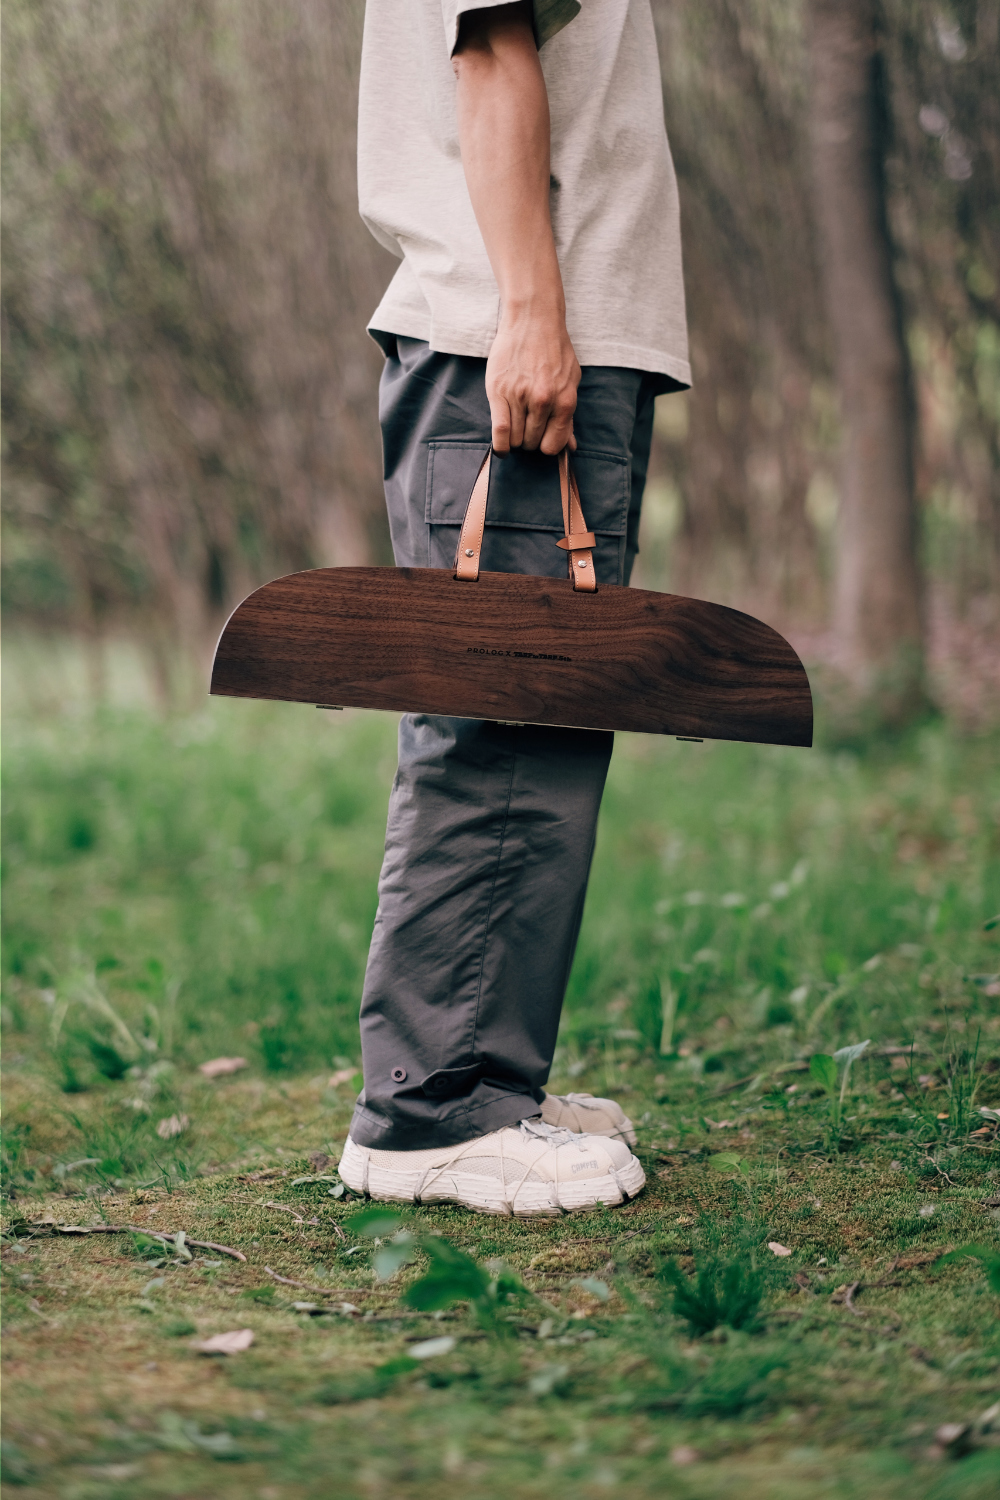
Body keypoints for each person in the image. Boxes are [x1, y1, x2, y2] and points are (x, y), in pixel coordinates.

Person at [338, 0, 690, 1215]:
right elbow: (488, 52)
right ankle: (432, 1114)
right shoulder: (524, 326)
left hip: (543, 329)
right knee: (501, 721)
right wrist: (531, 313)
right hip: (519, 337)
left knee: (540, 726)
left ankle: (486, 1079)